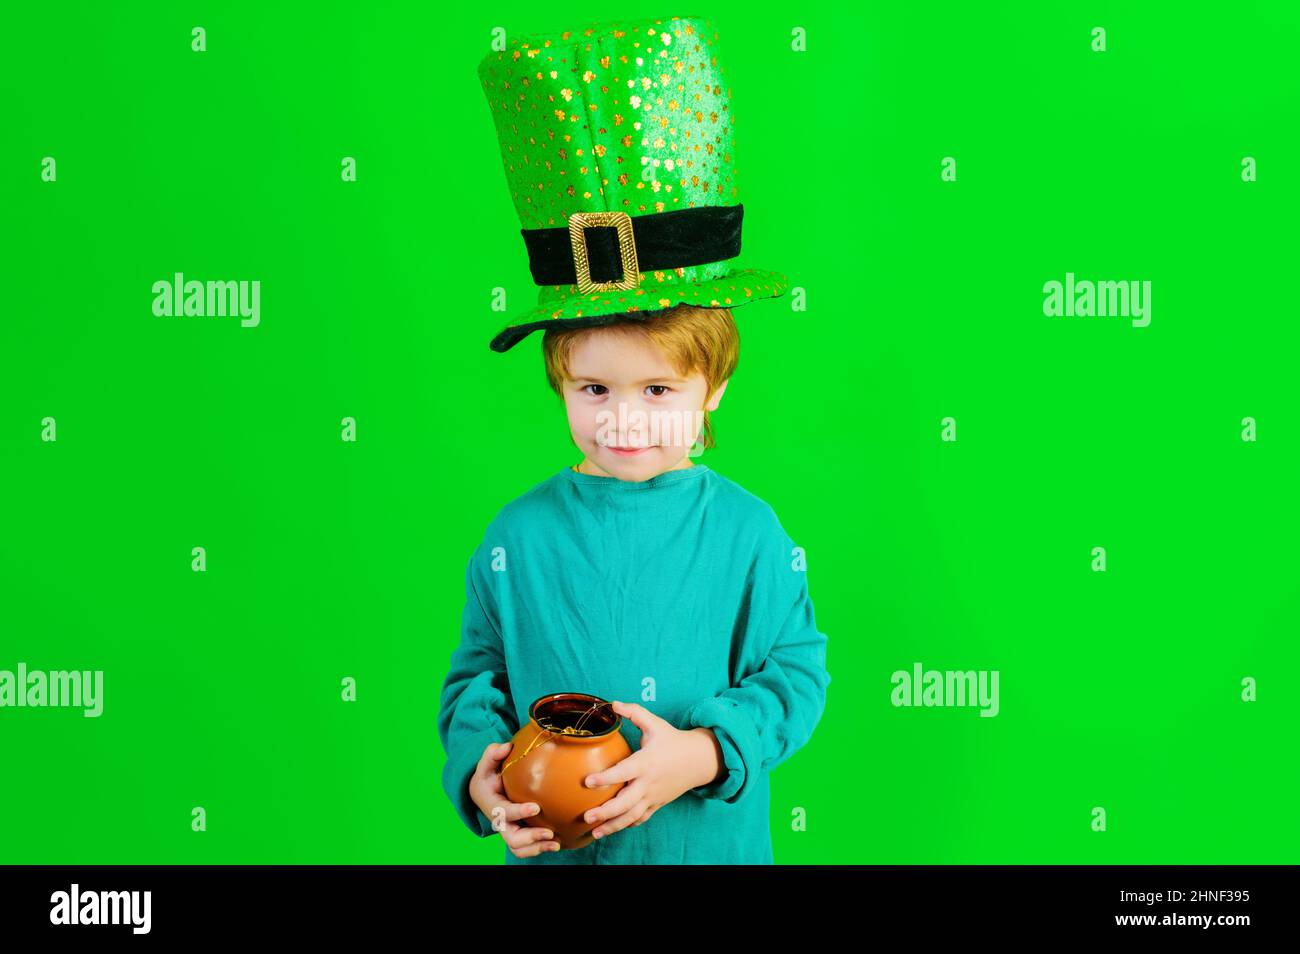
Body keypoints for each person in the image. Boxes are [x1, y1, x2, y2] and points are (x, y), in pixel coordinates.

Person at [437, 303, 831, 863]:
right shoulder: (517, 535)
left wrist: (706, 753)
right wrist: (483, 776)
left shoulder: (748, 531)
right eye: (595, 389)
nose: (623, 419)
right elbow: (478, 679)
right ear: (560, 385)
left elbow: (795, 672)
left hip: (707, 850)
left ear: (714, 388)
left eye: (658, 390)